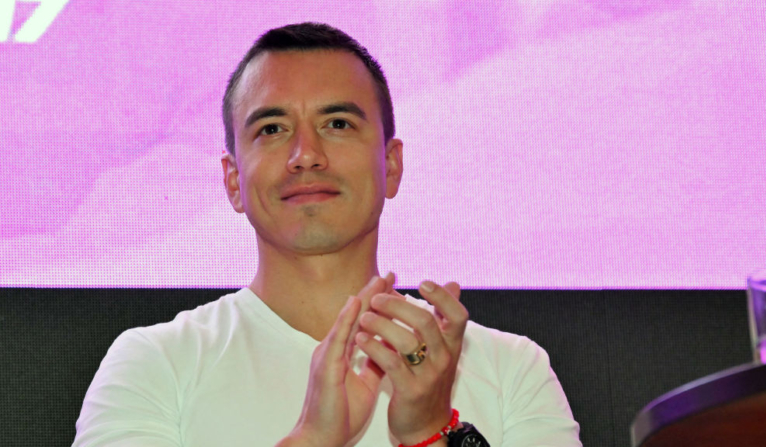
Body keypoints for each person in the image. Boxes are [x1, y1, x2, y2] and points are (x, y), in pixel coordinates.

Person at [73, 23, 580, 447]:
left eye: (337, 123)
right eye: (272, 129)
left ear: (391, 164)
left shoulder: (512, 370)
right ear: (233, 180)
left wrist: (429, 433)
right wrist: (312, 439)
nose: (306, 154)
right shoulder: (154, 364)